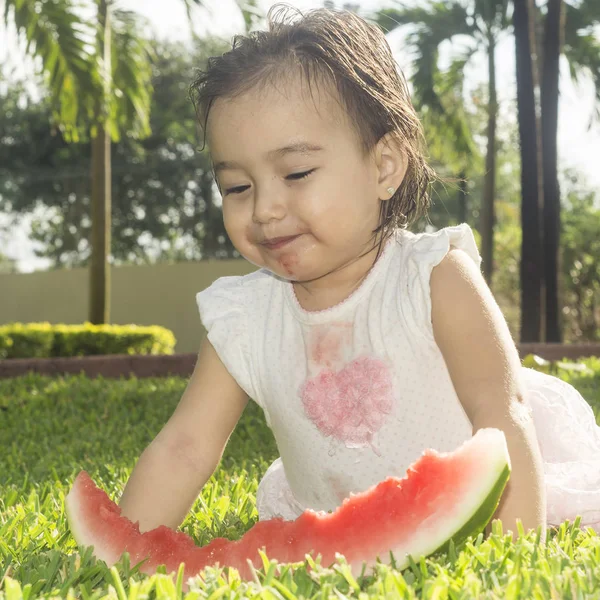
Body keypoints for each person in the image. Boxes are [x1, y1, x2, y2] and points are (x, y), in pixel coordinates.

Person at [118, 5, 600, 538]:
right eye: (237, 186)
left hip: (478, 502)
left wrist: (512, 554)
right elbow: (185, 448)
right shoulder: (244, 319)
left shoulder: (435, 279)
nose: (264, 209)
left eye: (297, 173)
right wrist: (114, 551)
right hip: (334, 516)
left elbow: (501, 414)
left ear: (384, 167)